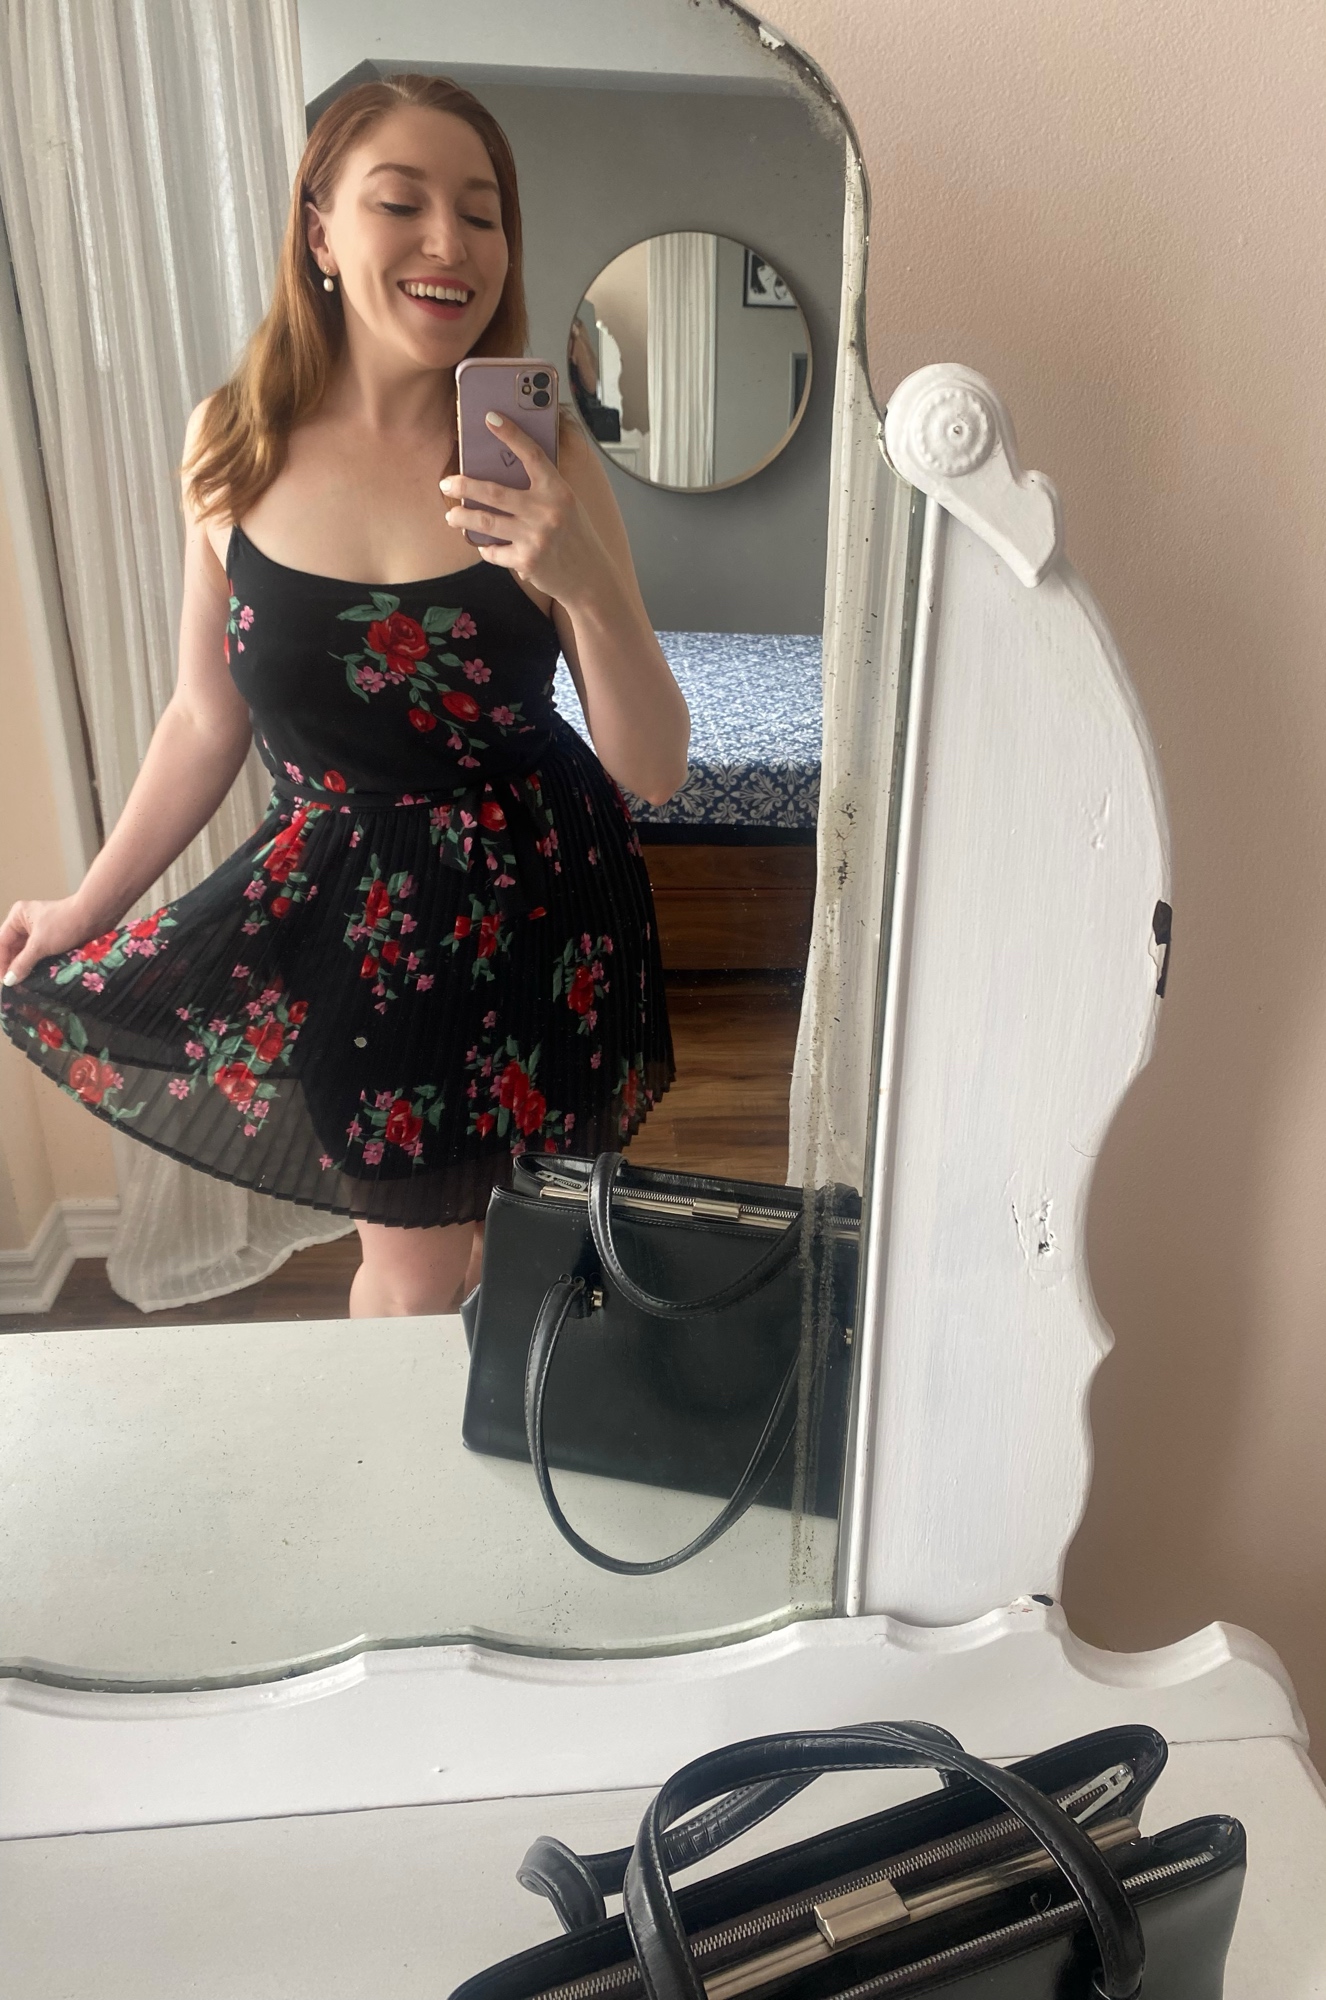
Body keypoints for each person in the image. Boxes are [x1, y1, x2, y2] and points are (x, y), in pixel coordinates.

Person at [0, 73, 688, 1318]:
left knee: (531, 1260)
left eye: (481, 212)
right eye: (401, 202)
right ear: (319, 232)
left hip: (551, 902)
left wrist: (585, 579)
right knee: (410, 1280)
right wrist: (85, 905)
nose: (450, 243)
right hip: (358, 930)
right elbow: (203, 716)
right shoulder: (232, 445)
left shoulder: (543, 455)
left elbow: (654, 764)